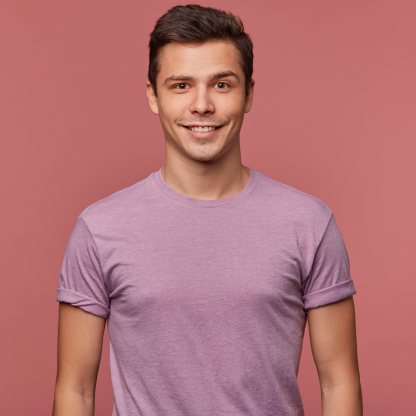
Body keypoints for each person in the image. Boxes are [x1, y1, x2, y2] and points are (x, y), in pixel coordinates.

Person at [53, 4, 363, 416]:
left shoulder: (309, 223)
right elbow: (75, 390)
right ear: (153, 95)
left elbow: (339, 382)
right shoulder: (99, 229)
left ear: (249, 94)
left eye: (221, 84)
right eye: (181, 85)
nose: (201, 105)